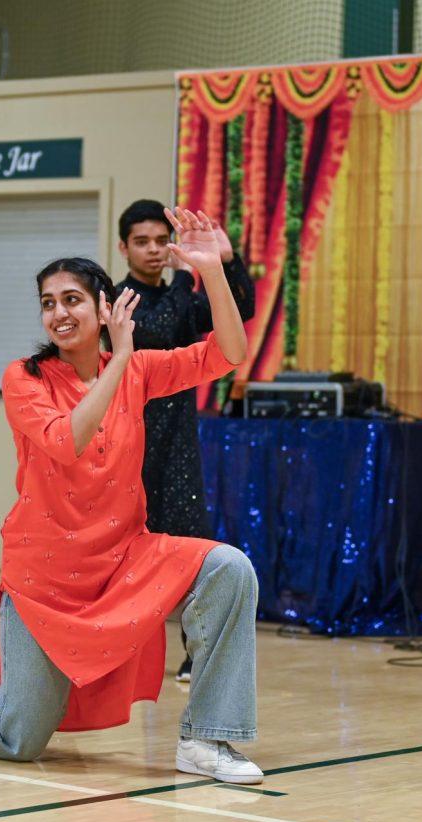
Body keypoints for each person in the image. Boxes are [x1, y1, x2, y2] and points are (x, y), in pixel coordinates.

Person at [0, 208, 263, 784]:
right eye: (48, 302)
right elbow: (66, 442)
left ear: (104, 307)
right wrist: (119, 357)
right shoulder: (26, 377)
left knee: (229, 568)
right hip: (45, 579)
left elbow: (230, 353)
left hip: (123, 560)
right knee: (18, 738)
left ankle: (208, 739)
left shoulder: (139, 370)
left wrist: (213, 272)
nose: (59, 313)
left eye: (71, 299)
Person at [117, 199, 256, 682]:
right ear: (124, 248)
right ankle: (119, 652)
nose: (154, 250)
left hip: (178, 446)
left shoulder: (184, 297)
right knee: (126, 551)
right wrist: (183, 277)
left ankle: (195, 655)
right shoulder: (119, 301)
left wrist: (224, 261)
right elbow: (155, 331)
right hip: (129, 442)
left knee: (191, 551)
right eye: (142, 242)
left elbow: (240, 310)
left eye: (161, 240)